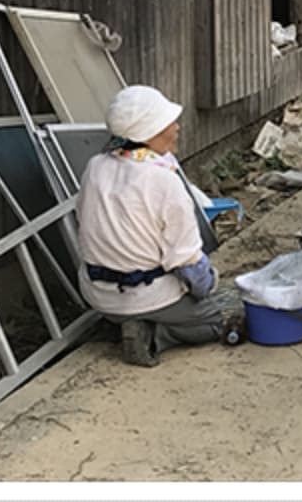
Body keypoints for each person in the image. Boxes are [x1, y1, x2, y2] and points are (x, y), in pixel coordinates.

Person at [76, 85, 246, 367]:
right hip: (150, 296)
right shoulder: (164, 181)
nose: (177, 127)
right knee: (239, 311)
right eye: (170, 123)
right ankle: (156, 334)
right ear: (150, 132)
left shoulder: (95, 166)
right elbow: (187, 262)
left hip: (98, 295)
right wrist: (211, 286)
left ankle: (132, 322)